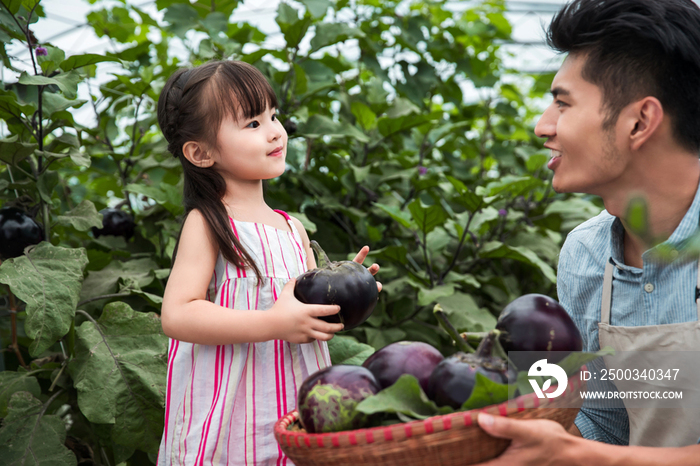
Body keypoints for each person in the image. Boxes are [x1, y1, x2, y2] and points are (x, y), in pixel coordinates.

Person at [474, 0, 700, 463]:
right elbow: (604, 422)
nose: (543, 126)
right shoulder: (586, 255)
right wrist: (527, 416)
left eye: (562, 103)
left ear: (639, 121)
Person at [154, 60, 381, 466]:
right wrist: (272, 323)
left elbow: (301, 313)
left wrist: (348, 290)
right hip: (230, 416)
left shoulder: (292, 228)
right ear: (201, 152)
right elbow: (177, 315)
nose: (276, 131)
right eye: (253, 124)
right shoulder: (208, 223)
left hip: (292, 409)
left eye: (273, 116)